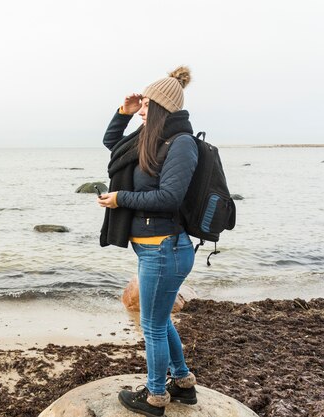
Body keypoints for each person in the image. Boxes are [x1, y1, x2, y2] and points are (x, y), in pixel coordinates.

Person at [98, 66, 198, 417]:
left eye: (145, 106)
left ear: (161, 109)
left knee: (152, 325)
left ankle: (156, 396)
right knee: (161, 320)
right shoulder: (148, 139)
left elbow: (169, 197)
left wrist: (121, 198)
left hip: (166, 249)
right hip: (154, 250)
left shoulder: (182, 144)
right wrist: (121, 113)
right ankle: (183, 384)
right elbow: (113, 145)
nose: (141, 109)